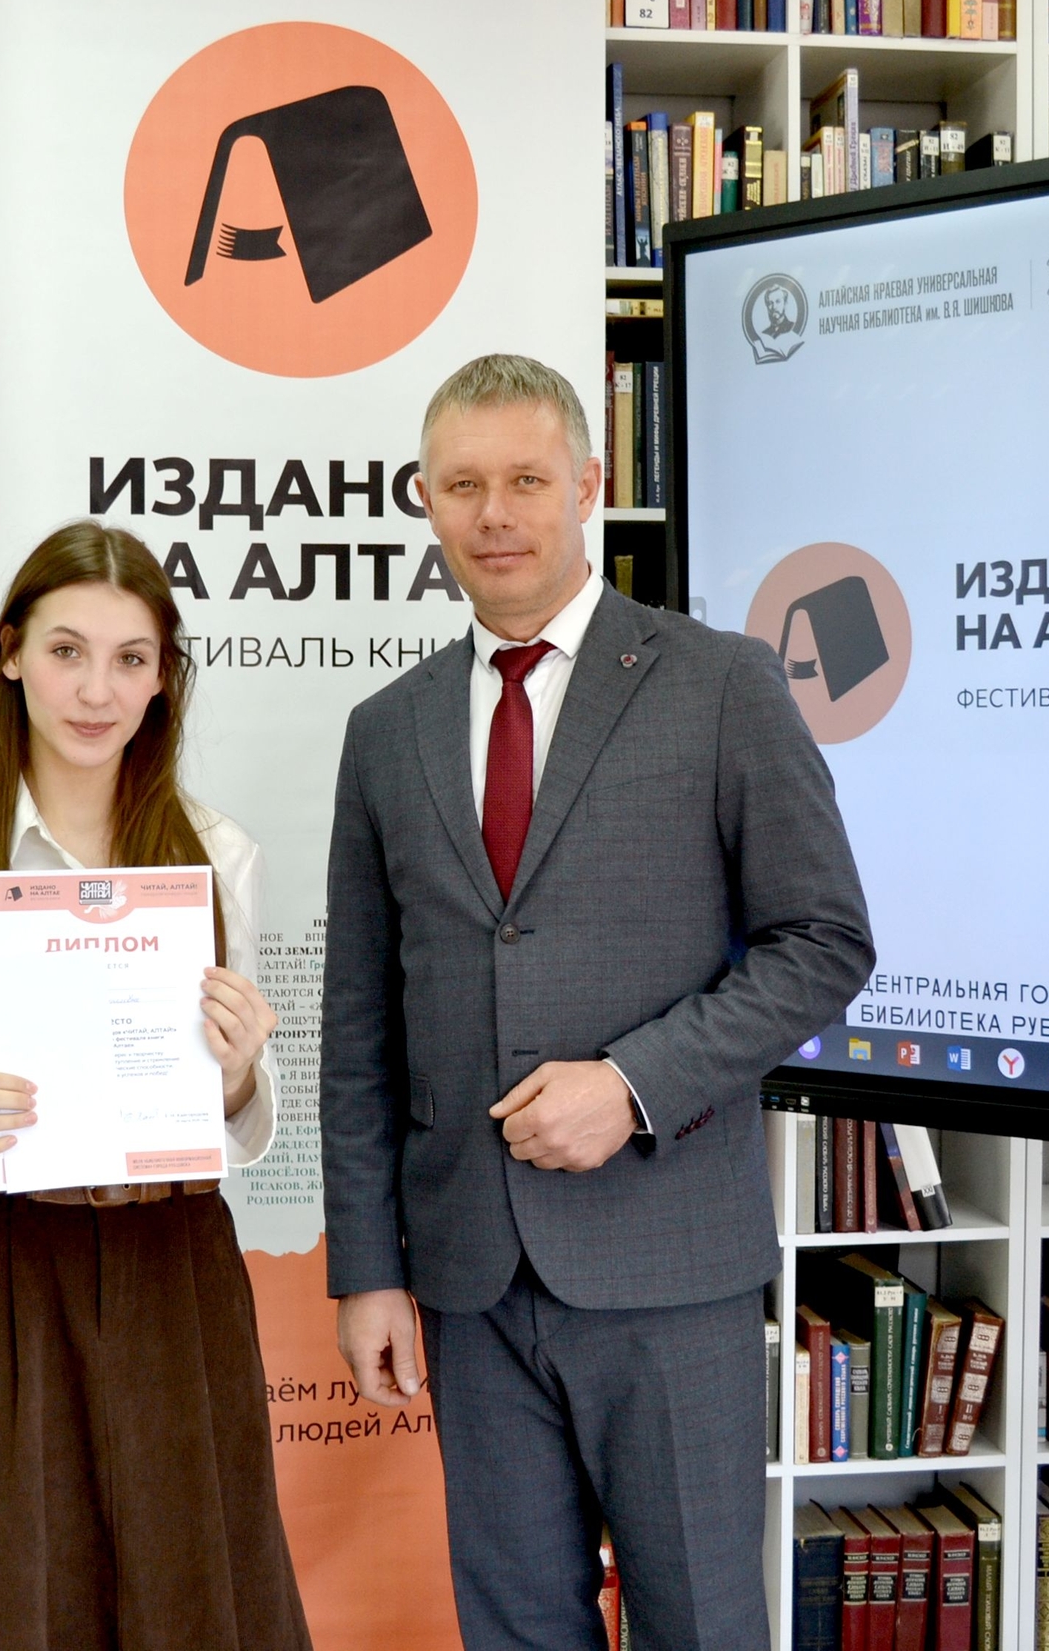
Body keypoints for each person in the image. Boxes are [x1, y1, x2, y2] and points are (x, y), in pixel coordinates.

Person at [320, 354, 874, 1651]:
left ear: (588, 485)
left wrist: (630, 1086)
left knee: (700, 1623)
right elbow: (360, 1024)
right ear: (424, 498)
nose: (495, 513)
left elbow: (822, 942)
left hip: (666, 1259)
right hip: (466, 1276)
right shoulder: (386, 729)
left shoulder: (721, 683)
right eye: (463, 484)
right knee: (514, 1627)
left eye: (525, 479)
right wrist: (367, 1269)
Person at [0, 520, 312, 1651]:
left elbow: (239, 1101)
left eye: (129, 659)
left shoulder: (219, 855)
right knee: (1, 1585)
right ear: (11, 654)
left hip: (174, 1264)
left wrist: (239, 1071)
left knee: (189, 1588)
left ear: (162, 681)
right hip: (8, 1265)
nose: (96, 691)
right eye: (67, 652)